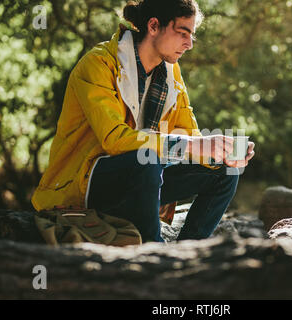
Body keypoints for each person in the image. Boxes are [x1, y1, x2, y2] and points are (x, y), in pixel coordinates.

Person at [31, 0, 255, 243]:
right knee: (148, 160)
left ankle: (189, 249)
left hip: (145, 176)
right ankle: (154, 250)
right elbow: (114, 140)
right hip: (88, 183)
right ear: (154, 26)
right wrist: (191, 145)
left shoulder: (171, 73)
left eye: (192, 36)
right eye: (183, 33)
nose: (189, 44)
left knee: (226, 171)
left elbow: (188, 137)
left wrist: (221, 153)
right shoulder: (99, 64)